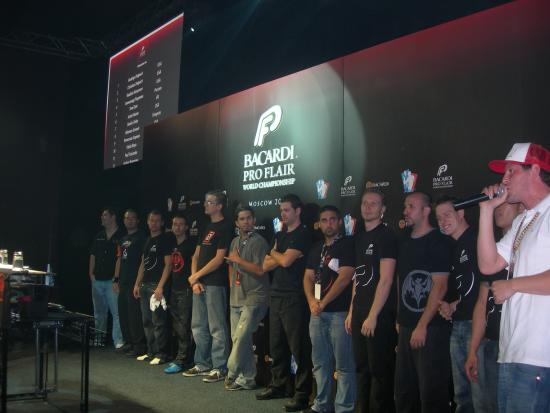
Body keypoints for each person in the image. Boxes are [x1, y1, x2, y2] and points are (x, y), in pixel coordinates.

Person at [477, 142, 550, 413]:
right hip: (511, 352)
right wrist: (486, 211)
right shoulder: (523, 220)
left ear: (535, 170)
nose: (504, 179)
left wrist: (513, 285)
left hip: (539, 355)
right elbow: (488, 265)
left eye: (511, 171)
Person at [394, 191, 452, 413]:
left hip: (431, 328)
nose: (405, 211)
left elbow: (440, 286)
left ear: (426, 211)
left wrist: (422, 325)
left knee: (431, 393)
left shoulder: (439, 241)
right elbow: (400, 281)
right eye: (405, 206)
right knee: (404, 391)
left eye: (411, 206)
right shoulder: (404, 241)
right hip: (406, 326)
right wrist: (400, 318)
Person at [256, 194, 313, 413]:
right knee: (277, 345)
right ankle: (279, 385)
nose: (283, 214)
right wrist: (278, 255)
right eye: (281, 210)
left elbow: (286, 261)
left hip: (294, 297)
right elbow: (265, 265)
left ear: (298, 211)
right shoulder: (279, 235)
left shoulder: (303, 234)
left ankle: (302, 395)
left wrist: (274, 252)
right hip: (276, 295)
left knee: (298, 347)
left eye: (287, 210)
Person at [464, 202, 523, 413]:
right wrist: (473, 349)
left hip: (518, 348)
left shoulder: (532, 251)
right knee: (484, 407)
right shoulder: (491, 252)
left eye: (505, 203)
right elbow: (482, 303)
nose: (498, 208)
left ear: (521, 208)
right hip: (489, 343)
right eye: (495, 205)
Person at [345, 189, 397, 413]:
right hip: (359, 312)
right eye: (365, 203)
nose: (367, 207)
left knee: (379, 371)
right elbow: (358, 277)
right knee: (361, 368)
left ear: (383, 209)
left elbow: (386, 280)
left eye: (373, 204)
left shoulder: (386, 236)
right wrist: (351, 311)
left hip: (379, 315)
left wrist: (373, 315)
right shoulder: (359, 237)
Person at [304, 205, 356, 413]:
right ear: (319, 224)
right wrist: (311, 301)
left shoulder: (348, 245)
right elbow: (308, 277)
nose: (329, 224)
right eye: (324, 220)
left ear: (340, 222)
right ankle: (321, 405)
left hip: (339, 313)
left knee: (344, 366)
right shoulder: (316, 248)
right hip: (316, 313)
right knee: (319, 363)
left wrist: (323, 303)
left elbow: (346, 277)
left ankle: (344, 408)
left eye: (333, 219)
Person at [435, 196, 482, 413]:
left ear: (461, 213)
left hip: (478, 327)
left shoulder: (477, 238)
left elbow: (488, 285)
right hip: (459, 323)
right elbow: (470, 288)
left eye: (447, 215)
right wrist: (453, 305)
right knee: (462, 395)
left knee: (480, 395)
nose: (443, 221)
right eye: (438, 218)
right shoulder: (454, 246)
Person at [183, 190, 232, 383]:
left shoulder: (226, 226)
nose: (205, 205)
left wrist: (196, 276)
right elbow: (195, 255)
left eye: (209, 202)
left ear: (219, 206)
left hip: (215, 283)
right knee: (198, 326)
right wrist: (195, 280)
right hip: (199, 284)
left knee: (217, 327)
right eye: (205, 201)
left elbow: (219, 259)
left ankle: (220, 367)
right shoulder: (206, 226)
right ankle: (202, 363)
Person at [224, 206, 270, 391]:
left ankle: (231, 370)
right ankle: (248, 379)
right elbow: (230, 264)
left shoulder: (259, 242)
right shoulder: (234, 241)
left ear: (254, 220)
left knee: (241, 339)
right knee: (241, 341)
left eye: (249, 218)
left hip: (255, 297)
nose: (246, 222)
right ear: (236, 223)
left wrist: (239, 260)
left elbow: (261, 270)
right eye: (242, 219)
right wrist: (232, 285)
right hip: (236, 297)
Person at [133, 210, 173, 365]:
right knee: (147, 321)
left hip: (157, 285)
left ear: (162, 223)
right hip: (145, 285)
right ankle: (151, 352)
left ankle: (162, 354)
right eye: (151, 220)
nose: (154, 223)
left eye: (157, 220)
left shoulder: (165, 239)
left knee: (158, 321)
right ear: (147, 222)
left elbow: (168, 265)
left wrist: (160, 287)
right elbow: (143, 263)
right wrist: (137, 283)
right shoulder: (147, 240)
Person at [164, 213, 196, 374]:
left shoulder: (191, 245)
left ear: (186, 227)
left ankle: (183, 360)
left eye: (180, 224)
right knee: (177, 326)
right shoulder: (172, 245)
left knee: (184, 326)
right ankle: (181, 357)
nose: (177, 227)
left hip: (186, 289)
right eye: (174, 224)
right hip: (174, 289)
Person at [89, 207, 124, 349]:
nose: (102, 217)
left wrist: (116, 278)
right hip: (97, 279)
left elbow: (120, 258)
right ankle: (99, 339)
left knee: (116, 312)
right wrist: (91, 274)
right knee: (99, 313)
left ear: (113, 217)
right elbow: (93, 255)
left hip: (112, 281)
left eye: (105, 215)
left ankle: (118, 341)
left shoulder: (121, 235)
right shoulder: (99, 235)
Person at [113, 209, 147, 357]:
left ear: (138, 220)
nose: (130, 220)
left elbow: (144, 261)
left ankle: (139, 345)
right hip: (123, 281)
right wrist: (116, 279)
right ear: (124, 220)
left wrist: (138, 282)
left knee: (134, 315)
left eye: (133, 218)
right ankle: (128, 342)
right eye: (127, 218)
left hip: (135, 281)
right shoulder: (122, 239)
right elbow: (119, 259)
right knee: (123, 313)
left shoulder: (142, 238)